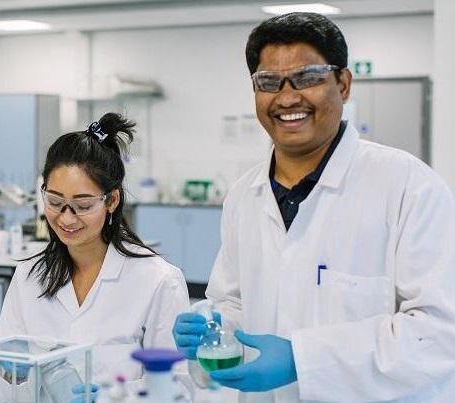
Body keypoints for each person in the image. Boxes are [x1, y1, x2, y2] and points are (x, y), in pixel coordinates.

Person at [173, 12, 455, 402]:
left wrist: (302, 359)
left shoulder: (409, 187)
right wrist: (212, 325)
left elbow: (439, 335)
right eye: (268, 82)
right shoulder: (244, 195)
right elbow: (234, 302)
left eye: (307, 78)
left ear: (343, 83)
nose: (287, 97)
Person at [0, 113, 191, 402]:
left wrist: (116, 396)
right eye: (55, 202)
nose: (66, 218)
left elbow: (179, 389)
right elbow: (3, 389)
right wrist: (15, 375)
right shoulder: (28, 276)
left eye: (82, 205)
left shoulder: (158, 280)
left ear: (112, 200)